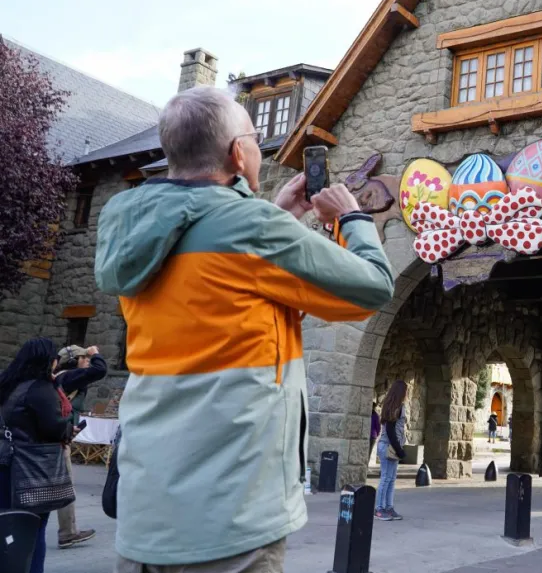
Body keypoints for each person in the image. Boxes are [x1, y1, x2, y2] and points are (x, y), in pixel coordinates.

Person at [94, 87, 395, 571]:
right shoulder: (251, 227)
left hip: (147, 505)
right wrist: (352, 219)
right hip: (230, 511)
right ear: (238, 152)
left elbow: (219, 285)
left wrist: (276, 216)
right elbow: (372, 288)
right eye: (254, 138)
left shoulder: (134, 225)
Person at [0, 338, 76, 573]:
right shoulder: (40, 388)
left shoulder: (7, 384)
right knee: (34, 530)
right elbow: (53, 427)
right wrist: (68, 428)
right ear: (48, 360)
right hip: (29, 471)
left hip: (5, 463)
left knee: (7, 527)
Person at [53, 345, 107, 549]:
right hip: (57, 441)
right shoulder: (69, 377)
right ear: (75, 360)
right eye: (84, 358)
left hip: (59, 437)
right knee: (64, 486)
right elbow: (99, 370)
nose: (87, 362)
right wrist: (96, 354)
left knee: (58, 486)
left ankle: (66, 531)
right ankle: (67, 533)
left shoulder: (61, 377)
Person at [376, 380, 407, 521]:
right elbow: (390, 430)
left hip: (390, 446)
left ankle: (389, 507)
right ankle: (379, 509)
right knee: (386, 478)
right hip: (389, 446)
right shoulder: (397, 407)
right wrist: (399, 449)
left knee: (391, 479)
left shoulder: (392, 406)